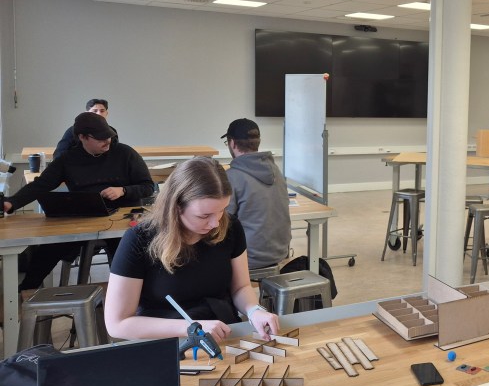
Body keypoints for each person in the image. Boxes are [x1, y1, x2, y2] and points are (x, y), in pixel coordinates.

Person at [105, 157, 280, 343]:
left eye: (222, 210)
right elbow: (117, 323)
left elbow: (241, 287)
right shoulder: (140, 239)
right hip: (166, 337)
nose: (215, 223)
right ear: (176, 206)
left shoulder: (230, 227)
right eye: (204, 216)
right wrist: (191, 328)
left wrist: (254, 310)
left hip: (222, 332)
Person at [4, 112, 154, 290]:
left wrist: (123, 190)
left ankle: (126, 295)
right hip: (82, 218)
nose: (107, 141)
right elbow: (41, 185)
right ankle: (26, 291)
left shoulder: (125, 153)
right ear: (83, 137)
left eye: (108, 136)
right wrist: (12, 203)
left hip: (121, 219)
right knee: (47, 250)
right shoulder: (68, 159)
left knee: (124, 257)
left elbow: (147, 186)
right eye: (100, 138)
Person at [222, 118, 291, 271]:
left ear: (232, 143)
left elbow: (221, 223)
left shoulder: (232, 177)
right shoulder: (275, 171)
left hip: (249, 259)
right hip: (280, 252)